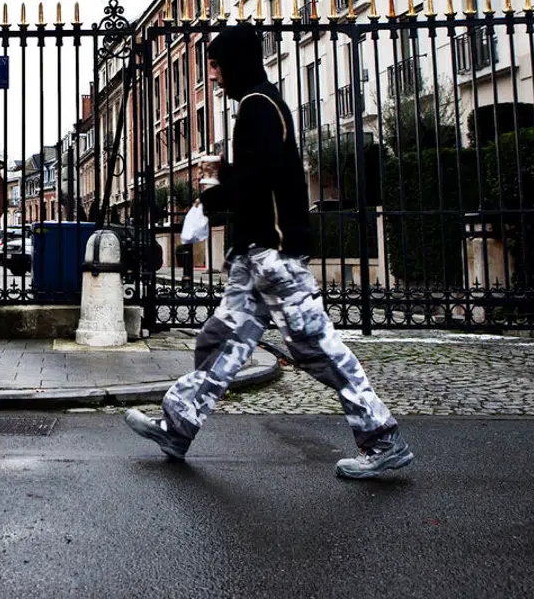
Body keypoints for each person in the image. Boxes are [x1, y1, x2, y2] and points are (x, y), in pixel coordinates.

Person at [124, 23, 412, 480]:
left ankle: (382, 437)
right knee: (220, 340)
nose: (213, 76)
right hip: (254, 254)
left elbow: (260, 180)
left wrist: (214, 197)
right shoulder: (256, 106)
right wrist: (226, 175)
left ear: (236, 62)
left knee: (314, 345)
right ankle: (177, 427)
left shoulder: (259, 105)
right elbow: (260, 172)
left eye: (216, 66)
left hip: (274, 252)